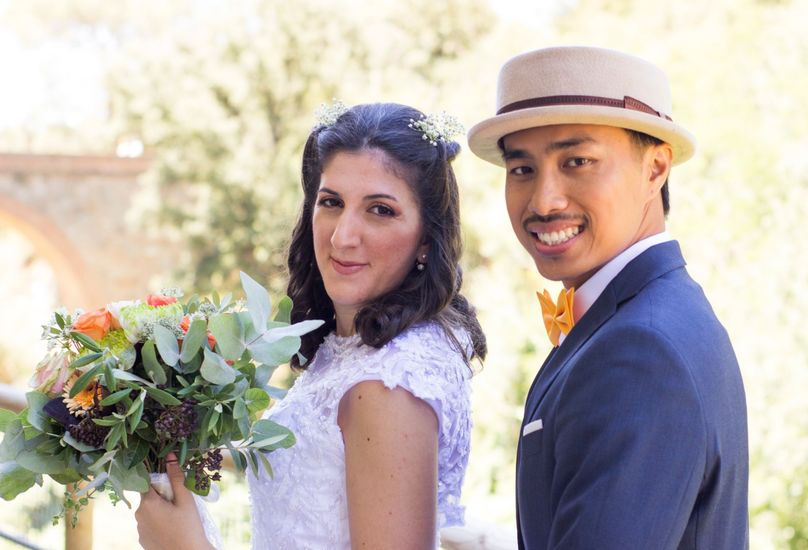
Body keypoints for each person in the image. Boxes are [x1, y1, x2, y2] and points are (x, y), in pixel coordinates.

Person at [136, 102, 486, 549]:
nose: (343, 236)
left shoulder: (388, 384)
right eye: (331, 203)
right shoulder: (358, 350)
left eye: (380, 210)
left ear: (426, 240)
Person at [467, 46, 748, 548]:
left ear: (656, 168)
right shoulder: (659, 313)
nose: (544, 200)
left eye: (578, 161)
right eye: (522, 169)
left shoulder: (641, 351)